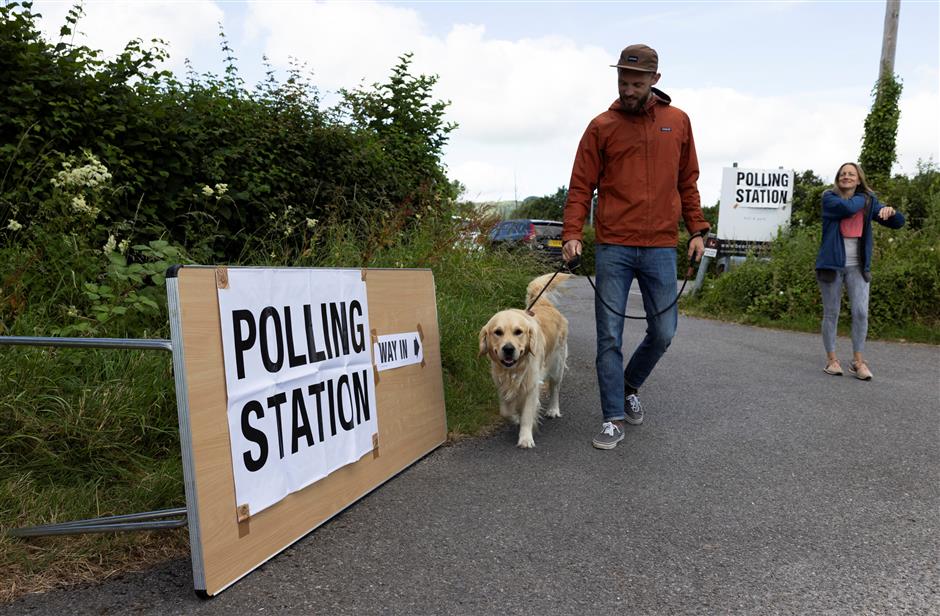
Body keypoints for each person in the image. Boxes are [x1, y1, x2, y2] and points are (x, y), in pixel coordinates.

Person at [561, 44, 710, 450]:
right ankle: (612, 417)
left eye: (637, 82)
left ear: (655, 81)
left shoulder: (678, 122)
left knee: (664, 331)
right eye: (623, 82)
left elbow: (688, 182)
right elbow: (580, 186)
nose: (628, 89)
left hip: (662, 245)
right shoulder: (601, 126)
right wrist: (572, 233)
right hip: (613, 245)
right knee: (608, 335)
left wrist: (697, 229)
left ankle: (630, 384)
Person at [815, 162, 904, 381]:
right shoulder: (830, 198)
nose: (846, 177)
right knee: (831, 312)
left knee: (861, 312)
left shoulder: (867, 201)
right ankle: (832, 360)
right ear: (838, 178)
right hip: (832, 265)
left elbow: (898, 223)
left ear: (858, 178)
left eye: (851, 174)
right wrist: (868, 198)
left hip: (858, 266)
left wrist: (890, 212)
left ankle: (858, 361)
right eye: (843, 174)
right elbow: (848, 208)